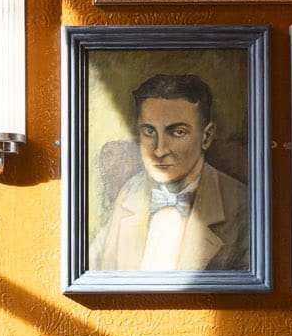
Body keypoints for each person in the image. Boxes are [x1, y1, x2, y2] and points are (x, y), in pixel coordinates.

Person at [88, 73, 250, 272]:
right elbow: (93, 271)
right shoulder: (129, 192)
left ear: (206, 137)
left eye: (177, 132)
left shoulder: (241, 204)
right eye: (149, 131)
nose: (159, 150)